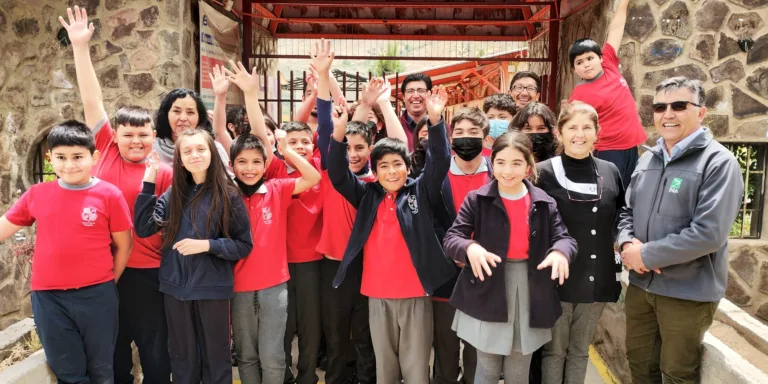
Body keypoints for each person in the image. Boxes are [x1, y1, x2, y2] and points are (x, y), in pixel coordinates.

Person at [59, 7, 173, 383]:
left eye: (143, 134)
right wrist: (80, 47)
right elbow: (92, 99)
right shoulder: (105, 147)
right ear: (116, 135)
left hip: (149, 274)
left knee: (156, 350)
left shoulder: (167, 172)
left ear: (153, 136)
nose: (136, 140)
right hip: (103, 272)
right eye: (129, 134)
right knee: (113, 348)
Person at [617, 77, 743, 384]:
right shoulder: (648, 158)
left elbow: (709, 233)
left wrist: (645, 254)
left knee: (677, 374)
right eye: (660, 107)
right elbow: (626, 212)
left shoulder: (718, 163)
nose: (667, 114)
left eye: (679, 106)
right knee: (639, 364)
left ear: (701, 112)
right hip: (641, 286)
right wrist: (624, 246)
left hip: (687, 292)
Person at [328, 86, 456, 384]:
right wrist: (338, 133)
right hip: (377, 295)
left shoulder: (419, 191)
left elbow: (439, 164)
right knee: (385, 367)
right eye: (383, 166)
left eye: (397, 164)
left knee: (415, 368)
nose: (391, 171)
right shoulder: (366, 195)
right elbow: (336, 173)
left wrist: (435, 120)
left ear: (408, 167)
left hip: (414, 294)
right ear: (375, 171)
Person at [0, 119, 133, 383]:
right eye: (61, 157)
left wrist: (107, 282)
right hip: (50, 300)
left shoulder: (109, 195)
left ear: (93, 157)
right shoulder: (37, 194)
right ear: (50, 158)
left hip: (98, 296)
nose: (69, 164)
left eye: (77, 157)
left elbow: (124, 245)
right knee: (69, 373)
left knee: (102, 371)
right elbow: (4, 227)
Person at [443, 131, 577, 384]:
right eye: (501, 162)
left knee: (518, 370)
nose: (508, 170)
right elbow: (453, 237)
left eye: (517, 163)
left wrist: (561, 252)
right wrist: (471, 248)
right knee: (488, 367)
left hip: (529, 288)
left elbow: (565, 238)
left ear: (528, 167)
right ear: (492, 163)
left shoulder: (543, 202)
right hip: (488, 286)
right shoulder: (477, 199)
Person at [314, 39, 410, 384]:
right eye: (348, 148)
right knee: (337, 339)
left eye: (360, 148)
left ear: (372, 150)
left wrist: (380, 106)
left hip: (369, 270)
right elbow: (330, 126)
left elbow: (401, 148)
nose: (353, 153)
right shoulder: (332, 173)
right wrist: (324, 76)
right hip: (334, 266)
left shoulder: (378, 182)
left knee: (366, 341)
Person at [134, 129, 253, 384]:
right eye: (187, 151)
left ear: (212, 152)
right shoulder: (174, 194)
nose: (194, 155)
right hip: (175, 289)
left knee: (216, 357)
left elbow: (243, 245)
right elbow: (144, 227)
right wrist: (150, 177)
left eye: (200, 149)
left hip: (212, 289)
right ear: (179, 158)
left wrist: (208, 245)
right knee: (182, 357)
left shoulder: (228, 194)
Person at [537, 102, 625, 384]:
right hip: (555, 276)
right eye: (572, 127)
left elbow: (623, 217)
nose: (580, 134)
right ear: (559, 133)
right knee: (553, 350)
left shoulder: (610, 171)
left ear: (597, 132)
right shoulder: (542, 172)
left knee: (579, 350)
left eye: (587, 127)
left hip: (597, 277)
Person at [431, 107, 497, 384]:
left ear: (485, 138)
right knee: (445, 342)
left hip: (485, 270)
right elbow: (430, 221)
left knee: (478, 346)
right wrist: (452, 254)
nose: (465, 138)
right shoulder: (437, 174)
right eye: (459, 133)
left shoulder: (497, 173)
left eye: (473, 133)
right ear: (450, 137)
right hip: (447, 270)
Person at [567, 0, 647, 188]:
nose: (586, 64)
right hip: (608, 151)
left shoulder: (609, 64)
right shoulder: (579, 94)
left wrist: (623, 4)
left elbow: (616, 28)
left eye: (590, 58)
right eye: (579, 62)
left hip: (631, 146)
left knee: (629, 195)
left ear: (600, 58)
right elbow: (571, 124)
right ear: (575, 70)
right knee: (611, 196)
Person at [153, 87, 230, 167]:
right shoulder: (152, 147)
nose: (183, 118)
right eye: (176, 111)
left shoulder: (214, 148)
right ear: (166, 115)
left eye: (190, 112)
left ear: (200, 117)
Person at [399, 73, 434, 150]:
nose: (415, 96)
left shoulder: (441, 128)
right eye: (410, 91)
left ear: (430, 95)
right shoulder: (394, 127)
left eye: (421, 90)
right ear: (403, 97)